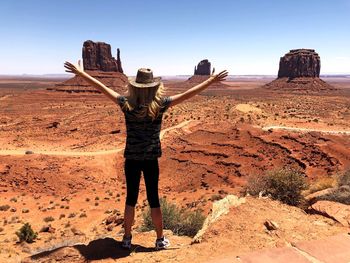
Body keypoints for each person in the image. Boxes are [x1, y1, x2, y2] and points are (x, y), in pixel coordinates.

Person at [64, 61, 228, 249]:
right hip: (150, 160)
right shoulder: (160, 105)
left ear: (134, 87)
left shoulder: (126, 104)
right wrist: (211, 80)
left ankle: (126, 239)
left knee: (130, 199)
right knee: (154, 199)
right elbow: (188, 95)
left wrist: (82, 74)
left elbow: (102, 88)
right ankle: (159, 240)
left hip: (132, 159)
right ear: (153, 87)